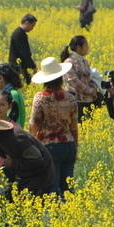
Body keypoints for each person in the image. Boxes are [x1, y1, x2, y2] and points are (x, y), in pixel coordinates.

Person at [0, 105, 53, 197]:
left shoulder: (17, 138)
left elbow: (38, 160)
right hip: (22, 177)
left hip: (40, 178)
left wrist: (13, 163)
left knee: (28, 209)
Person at [29, 57, 79, 198]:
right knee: (67, 189)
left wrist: (31, 140)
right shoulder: (70, 97)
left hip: (49, 147)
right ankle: (69, 216)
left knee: (53, 188)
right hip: (68, 145)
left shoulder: (40, 98)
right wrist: (75, 145)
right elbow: (74, 127)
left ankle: (55, 218)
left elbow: (35, 124)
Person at [61, 35, 100, 122]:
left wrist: (94, 88)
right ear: (79, 48)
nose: (88, 48)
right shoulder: (69, 62)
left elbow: (89, 77)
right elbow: (73, 82)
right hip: (76, 101)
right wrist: (90, 91)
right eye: (86, 45)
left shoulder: (84, 61)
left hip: (88, 100)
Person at [9, 14, 38, 85]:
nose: (32, 28)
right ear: (27, 23)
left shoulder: (20, 33)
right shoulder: (19, 34)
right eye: (32, 26)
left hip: (20, 66)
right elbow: (24, 53)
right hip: (18, 67)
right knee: (26, 85)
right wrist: (33, 66)